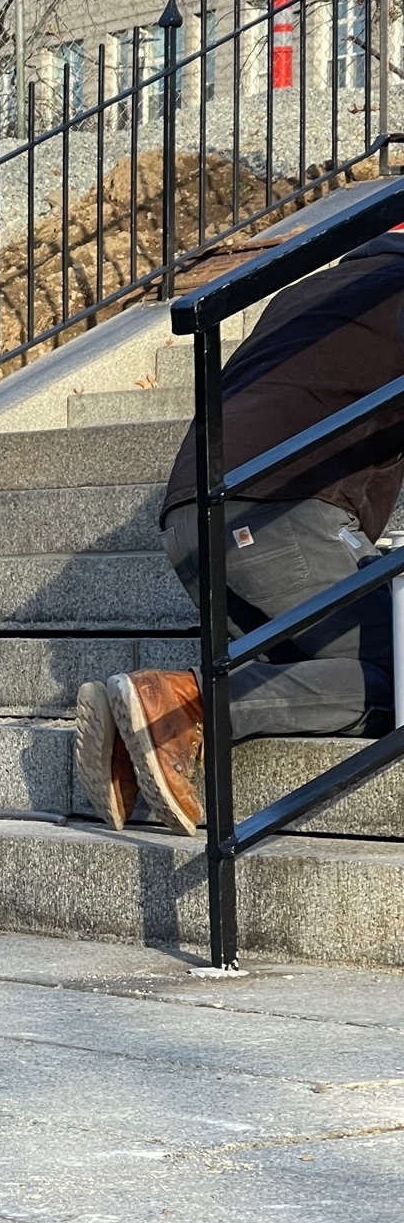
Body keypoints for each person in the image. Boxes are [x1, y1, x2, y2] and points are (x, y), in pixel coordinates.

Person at [75, 223, 404, 835]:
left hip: (193, 518)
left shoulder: (316, 290)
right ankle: (179, 704)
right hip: (279, 516)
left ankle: (129, 736)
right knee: (403, 676)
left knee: (308, 667)